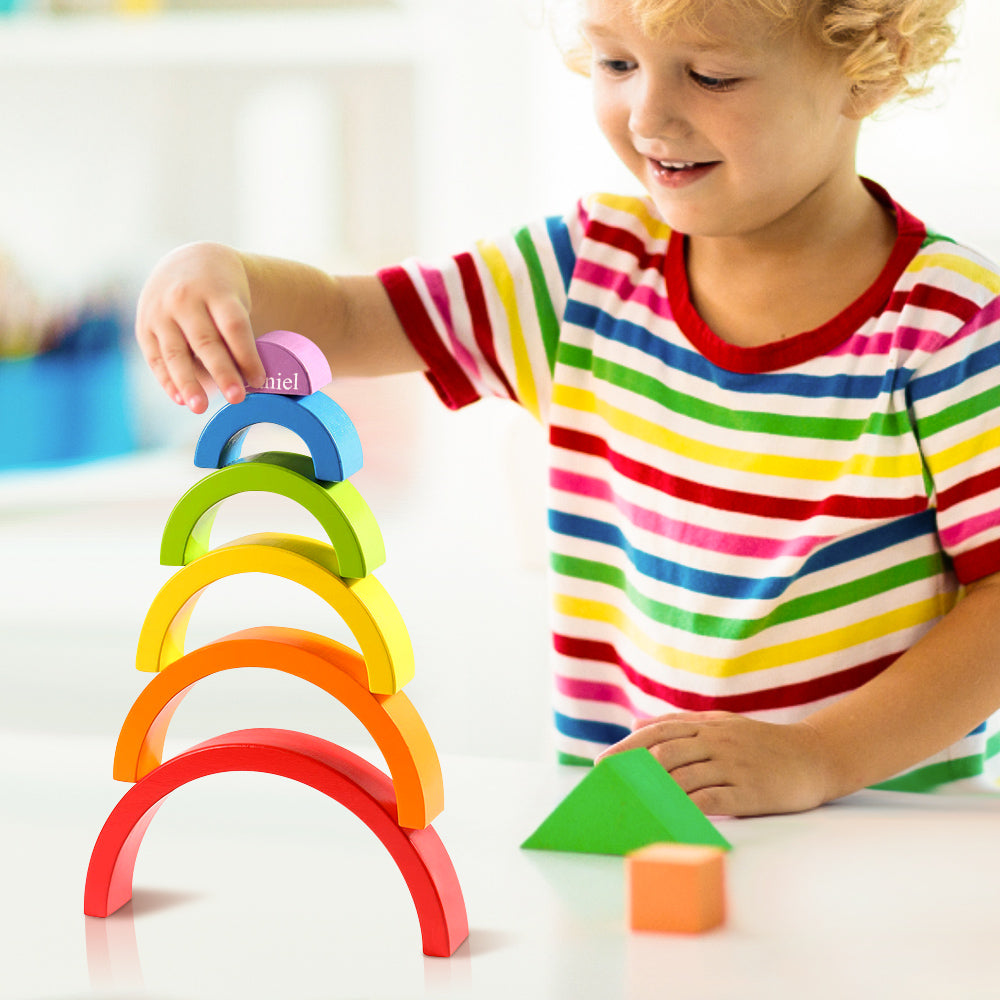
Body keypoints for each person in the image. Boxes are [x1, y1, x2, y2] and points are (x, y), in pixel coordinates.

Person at [134, 0, 1000, 818]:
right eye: (616, 62)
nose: (648, 114)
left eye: (712, 74)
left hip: (880, 833)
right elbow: (359, 315)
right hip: (640, 823)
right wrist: (222, 273)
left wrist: (816, 758)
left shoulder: (951, 325)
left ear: (873, 62)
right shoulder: (586, 268)